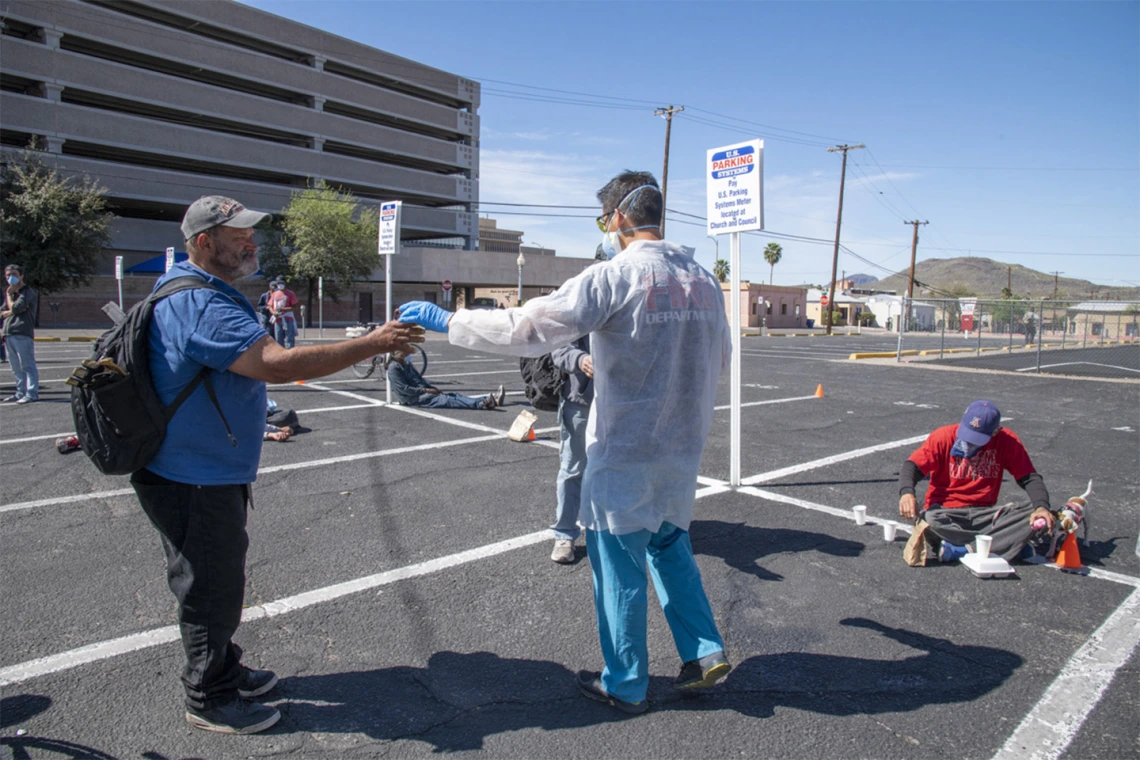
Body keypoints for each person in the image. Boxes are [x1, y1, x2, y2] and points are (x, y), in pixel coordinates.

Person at [398, 171, 733, 715]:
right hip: (681, 446)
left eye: (605, 220)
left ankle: (625, 683)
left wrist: (450, 320)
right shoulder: (704, 279)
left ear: (618, 218)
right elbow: (720, 361)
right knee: (671, 546)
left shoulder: (613, 276)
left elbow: (529, 327)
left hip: (625, 447)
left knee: (618, 564)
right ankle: (703, 651)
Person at [133, 195, 423, 735]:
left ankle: (224, 667)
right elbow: (274, 365)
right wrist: (371, 343)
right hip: (191, 474)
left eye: (250, 232)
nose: (251, 241)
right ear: (203, 243)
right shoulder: (199, 302)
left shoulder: (204, 291)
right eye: (237, 234)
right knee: (209, 587)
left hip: (203, 468)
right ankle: (209, 696)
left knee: (218, 577)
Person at [899, 400, 1055, 565]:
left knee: (1037, 512)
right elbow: (912, 466)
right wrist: (907, 493)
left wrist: (1041, 507)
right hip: (946, 514)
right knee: (928, 519)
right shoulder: (943, 436)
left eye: (976, 439)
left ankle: (964, 549)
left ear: (995, 432)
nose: (969, 442)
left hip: (984, 514)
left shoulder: (1007, 441)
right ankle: (1006, 543)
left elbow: (1029, 477)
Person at [549, 336, 592, 564]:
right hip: (580, 402)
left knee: (624, 469)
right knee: (573, 469)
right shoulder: (579, 302)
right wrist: (581, 359)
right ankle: (564, 534)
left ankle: (624, 530)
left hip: (623, 402)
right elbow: (558, 347)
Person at [386, 350, 505, 410]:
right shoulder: (393, 368)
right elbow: (404, 389)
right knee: (448, 400)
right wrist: (426, 390)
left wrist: (431, 388)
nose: (408, 351)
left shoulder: (406, 363)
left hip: (424, 393)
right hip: (414, 399)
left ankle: (489, 400)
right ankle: (482, 404)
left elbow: (418, 379)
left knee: (454, 395)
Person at [1, 264, 39, 404]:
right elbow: (4, 311)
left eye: (15, 274)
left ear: (21, 276)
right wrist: (11, 309)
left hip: (22, 332)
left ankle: (32, 393)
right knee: (16, 367)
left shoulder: (27, 291)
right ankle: (20, 392)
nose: (11, 277)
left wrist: (9, 296)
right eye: (8, 275)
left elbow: (16, 308)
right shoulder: (13, 294)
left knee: (27, 365)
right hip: (9, 333)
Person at [269, 279, 298, 348]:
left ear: (285, 284)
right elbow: (269, 306)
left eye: (281, 283)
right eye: (278, 283)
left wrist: (283, 309)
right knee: (278, 337)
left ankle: (290, 352)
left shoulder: (290, 293)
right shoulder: (274, 294)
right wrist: (273, 312)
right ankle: (281, 353)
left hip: (287, 318)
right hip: (277, 319)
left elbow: (294, 307)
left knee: (289, 337)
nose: (280, 285)